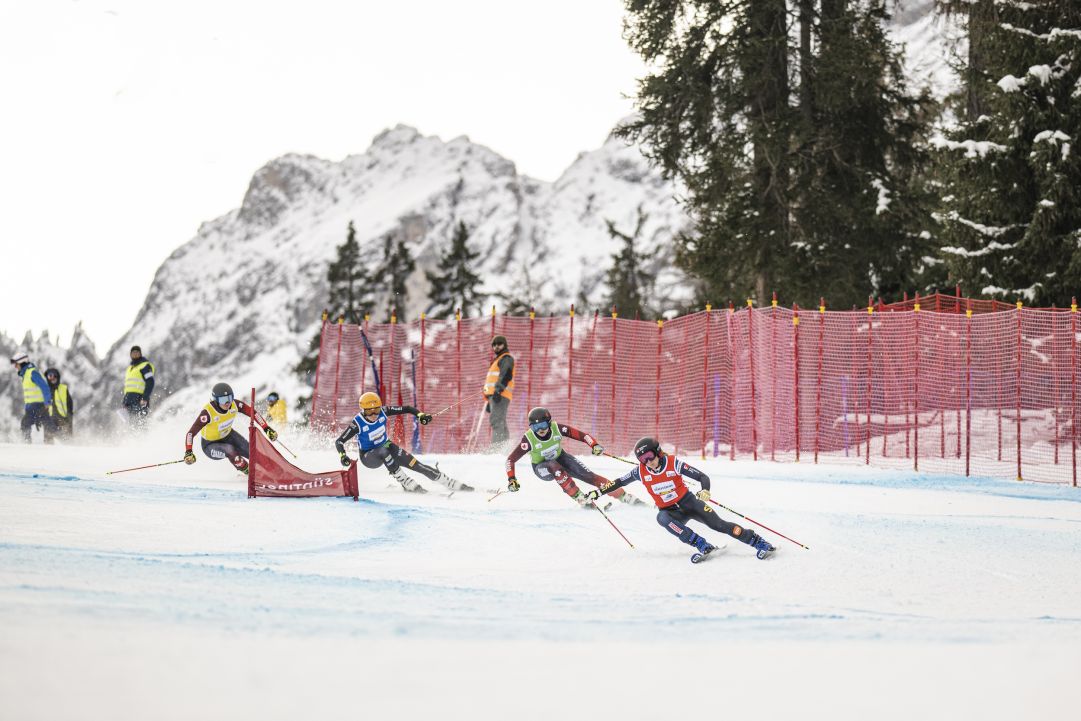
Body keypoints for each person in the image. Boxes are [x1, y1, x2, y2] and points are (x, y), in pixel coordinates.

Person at [585, 436, 776, 563]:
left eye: (650, 456)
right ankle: (701, 544)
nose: (648, 462)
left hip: (689, 503)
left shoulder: (672, 463)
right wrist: (598, 493)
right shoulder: (640, 472)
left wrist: (705, 491)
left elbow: (703, 477)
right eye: (643, 459)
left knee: (719, 525)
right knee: (662, 519)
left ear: (658, 453)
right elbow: (619, 482)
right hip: (671, 511)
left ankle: (759, 542)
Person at [504, 407, 648, 508]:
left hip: (561, 458)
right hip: (542, 469)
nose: (539, 430)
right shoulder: (529, 439)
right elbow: (510, 460)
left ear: (548, 422)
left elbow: (582, 435)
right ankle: (580, 497)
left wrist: (594, 445)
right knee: (554, 466)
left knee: (589, 475)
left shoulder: (556, 428)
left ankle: (625, 497)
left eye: (542, 425)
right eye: (535, 427)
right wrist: (512, 479)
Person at [334, 391, 471, 494]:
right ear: (363, 411)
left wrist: (420, 415)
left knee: (417, 465)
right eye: (370, 411)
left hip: (386, 446)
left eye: (376, 409)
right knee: (383, 451)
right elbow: (339, 441)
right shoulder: (357, 423)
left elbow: (407, 408)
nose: (374, 414)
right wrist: (342, 456)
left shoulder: (383, 411)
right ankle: (405, 482)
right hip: (369, 457)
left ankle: (449, 482)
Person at [183, 382, 277, 474]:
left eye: (230, 398)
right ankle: (249, 472)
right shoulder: (207, 413)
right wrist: (188, 452)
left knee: (251, 452)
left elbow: (254, 413)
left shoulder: (235, 404)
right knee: (230, 450)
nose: (227, 402)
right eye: (223, 400)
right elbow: (190, 434)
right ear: (216, 400)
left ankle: (275, 471)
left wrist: (266, 428)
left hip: (229, 436)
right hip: (210, 445)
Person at [10, 351, 55, 443]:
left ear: (22, 363)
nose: (15, 366)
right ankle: (56, 441)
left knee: (26, 423)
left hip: (39, 406)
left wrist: (47, 402)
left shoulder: (32, 373)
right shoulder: (25, 374)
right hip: (32, 407)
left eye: (16, 364)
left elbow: (44, 386)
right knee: (47, 425)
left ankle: (28, 443)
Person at [483, 335, 514, 448]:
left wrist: (498, 391)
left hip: (500, 394)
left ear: (504, 345)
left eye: (499, 344)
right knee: (500, 420)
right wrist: (489, 400)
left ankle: (497, 448)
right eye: (494, 344)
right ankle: (503, 447)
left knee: (496, 420)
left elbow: (506, 375)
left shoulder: (506, 358)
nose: (496, 346)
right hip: (495, 395)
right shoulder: (497, 360)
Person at [122, 345, 155, 427]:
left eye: (137, 352)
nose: (135, 354)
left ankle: (144, 439)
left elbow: (150, 382)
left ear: (140, 354)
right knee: (131, 425)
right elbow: (128, 386)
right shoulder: (130, 368)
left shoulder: (145, 366)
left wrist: (145, 397)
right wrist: (125, 401)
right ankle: (133, 440)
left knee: (140, 424)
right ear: (130, 354)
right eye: (133, 352)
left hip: (140, 399)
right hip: (129, 400)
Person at [44, 367, 74, 440]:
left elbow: (69, 403)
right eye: (49, 376)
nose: (52, 378)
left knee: (67, 439)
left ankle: (71, 448)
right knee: (48, 440)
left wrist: (69, 416)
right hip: (49, 419)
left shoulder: (63, 388)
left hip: (63, 418)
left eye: (54, 376)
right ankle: (48, 449)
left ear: (57, 377)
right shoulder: (45, 390)